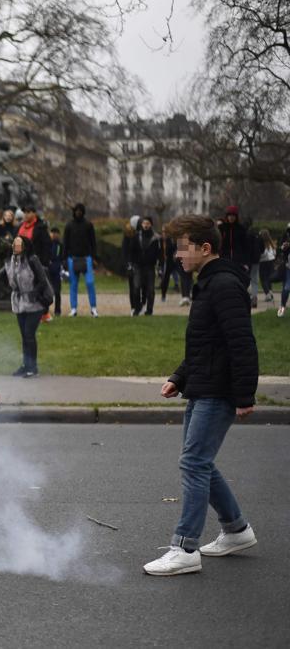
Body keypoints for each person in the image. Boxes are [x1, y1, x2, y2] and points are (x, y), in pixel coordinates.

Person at [145, 214, 259, 576]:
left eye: (183, 247)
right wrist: (180, 377)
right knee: (200, 462)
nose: (178, 255)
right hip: (203, 385)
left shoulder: (223, 285)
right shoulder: (210, 283)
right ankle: (237, 530)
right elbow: (205, 343)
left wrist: (244, 395)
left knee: (194, 464)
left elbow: (242, 344)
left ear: (204, 248)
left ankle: (185, 548)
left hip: (217, 391)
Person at [0, 236, 53, 377]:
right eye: (14, 243)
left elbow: (43, 281)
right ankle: (25, 365)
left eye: (19, 243)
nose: (15, 245)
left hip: (34, 303)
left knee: (29, 335)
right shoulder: (11, 261)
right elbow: (1, 274)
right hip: (19, 303)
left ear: (25, 246)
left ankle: (33, 368)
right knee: (24, 335)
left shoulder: (32, 260)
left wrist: (33, 294)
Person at [62, 202, 98, 317]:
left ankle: (93, 308)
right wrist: (64, 260)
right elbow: (65, 243)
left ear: (83, 212)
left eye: (80, 210)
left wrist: (94, 257)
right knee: (73, 284)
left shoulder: (88, 225)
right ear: (74, 212)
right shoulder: (69, 226)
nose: (78, 212)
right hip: (72, 258)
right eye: (76, 210)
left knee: (90, 282)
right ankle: (73, 309)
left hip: (86, 258)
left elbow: (93, 243)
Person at [133, 216, 161, 316]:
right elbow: (132, 250)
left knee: (150, 290)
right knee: (136, 288)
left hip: (150, 266)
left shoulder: (156, 238)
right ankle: (137, 308)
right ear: (141, 224)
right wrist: (132, 262)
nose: (146, 225)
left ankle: (149, 310)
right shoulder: (136, 236)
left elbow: (159, 253)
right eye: (144, 223)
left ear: (151, 225)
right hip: (138, 266)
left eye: (148, 223)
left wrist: (160, 266)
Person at [218, 205, 251, 271]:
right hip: (224, 258)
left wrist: (246, 262)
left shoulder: (241, 229)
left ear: (236, 217)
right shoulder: (222, 228)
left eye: (233, 216)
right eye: (229, 216)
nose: (231, 218)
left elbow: (246, 246)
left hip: (238, 259)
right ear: (227, 216)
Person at [47, 227, 64, 318]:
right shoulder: (47, 244)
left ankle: (57, 310)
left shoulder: (60, 245)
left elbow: (61, 256)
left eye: (56, 233)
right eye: (52, 233)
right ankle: (46, 311)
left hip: (56, 271)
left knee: (57, 292)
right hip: (48, 270)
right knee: (47, 292)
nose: (54, 235)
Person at [258, 229, 276, 304]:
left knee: (263, 279)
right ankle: (270, 292)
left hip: (263, 262)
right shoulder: (271, 243)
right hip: (271, 262)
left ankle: (268, 294)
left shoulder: (261, 244)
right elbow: (274, 253)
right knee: (269, 278)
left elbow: (262, 254)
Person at [278, 223, 290, 317]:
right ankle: (282, 307)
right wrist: (284, 247)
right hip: (288, 267)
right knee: (286, 288)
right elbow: (281, 249)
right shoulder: (285, 237)